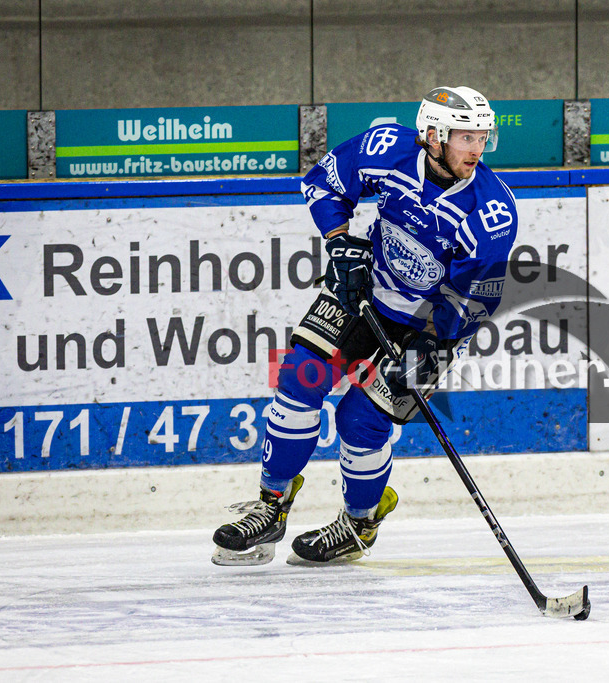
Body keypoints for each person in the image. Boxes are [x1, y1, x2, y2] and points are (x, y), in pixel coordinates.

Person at [212, 86, 518, 566]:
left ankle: (359, 524)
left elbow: (476, 296)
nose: (477, 149)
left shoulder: (491, 212)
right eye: (466, 137)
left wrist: (431, 347)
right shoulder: (388, 150)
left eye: (483, 137)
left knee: (359, 419)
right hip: (361, 294)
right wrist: (340, 244)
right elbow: (324, 182)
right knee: (299, 380)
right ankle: (271, 507)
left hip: (426, 327)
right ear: (433, 136)